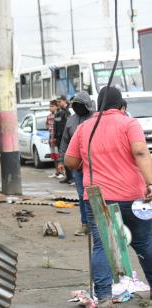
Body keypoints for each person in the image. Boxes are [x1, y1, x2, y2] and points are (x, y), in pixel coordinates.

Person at [65, 86, 152, 307]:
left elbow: (70, 162)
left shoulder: (85, 127)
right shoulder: (129, 123)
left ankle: (103, 296)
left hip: (98, 197)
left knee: (104, 245)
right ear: (122, 107)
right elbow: (141, 152)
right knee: (144, 243)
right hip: (134, 197)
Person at [57, 92, 95, 236]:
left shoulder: (95, 119)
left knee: (98, 194)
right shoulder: (71, 121)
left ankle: (99, 224)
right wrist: (61, 160)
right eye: (76, 106)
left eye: (81, 105)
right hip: (77, 168)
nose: (78, 108)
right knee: (82, 195)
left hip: (94, 166)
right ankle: (85, 224)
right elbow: (64, 142)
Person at [54, 95, 72, 184]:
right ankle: (68, 177)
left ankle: (71, 177)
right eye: (57, 102)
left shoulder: (67, 112)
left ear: (65, 101)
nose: (58, 103)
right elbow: (56, 125)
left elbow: (68, 126)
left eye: (60, 101)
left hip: (65, 138)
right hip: (59, 138)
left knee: (67, 157)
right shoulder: (59, 112)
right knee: (62, 157)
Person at [47, 100, 63, 179]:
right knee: (53, 156)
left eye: (52, 106)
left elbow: (56, 128)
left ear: (56, 107)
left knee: (58, 155)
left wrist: (53, 138)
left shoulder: (57, 116)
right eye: (50, 106)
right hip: (50, 137)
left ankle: (61, 172)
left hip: (56, 138)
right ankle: (56, 171)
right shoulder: (49, 116)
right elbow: (47, 124)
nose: (51, 108)